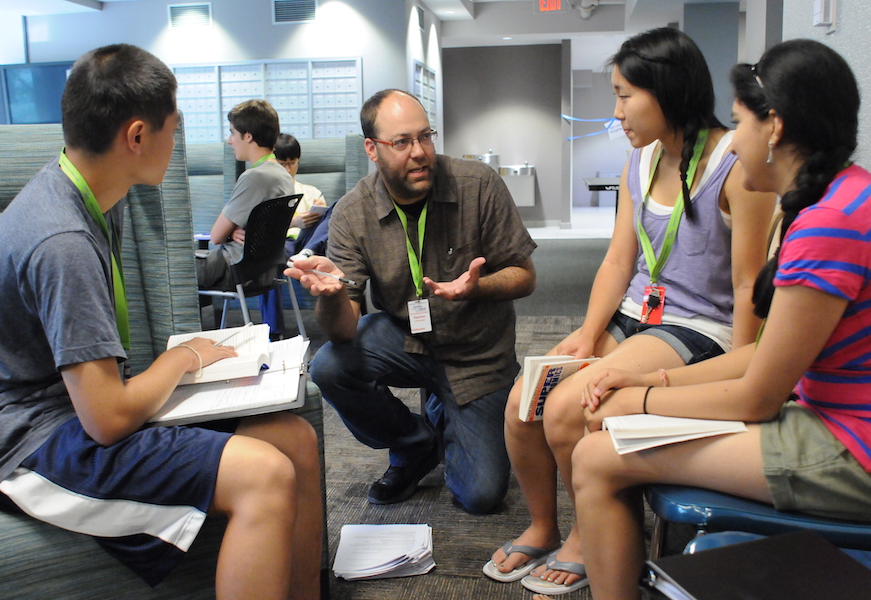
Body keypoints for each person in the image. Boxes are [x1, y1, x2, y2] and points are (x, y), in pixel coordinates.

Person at [0, 44, 321, 600]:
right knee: (265, 476)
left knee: (294, 440)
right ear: (137, 136)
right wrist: (181, 360)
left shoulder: (89, 199)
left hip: (68, 405)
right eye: (174, 122)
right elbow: (107, 419)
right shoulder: (61, 238)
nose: (179, 134)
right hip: (21, 438)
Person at [564, 39, 870, 600]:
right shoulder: (844, 198)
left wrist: (639, 402)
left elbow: (758, 397)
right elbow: (765, 354)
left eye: (739, 124)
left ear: (773, 128)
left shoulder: (828, 226)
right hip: (831, 419)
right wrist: (647, 381)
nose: (734, 142)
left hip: (851, 449)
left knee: (597, 456)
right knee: (604, 433)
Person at [485, 27, 777, 593]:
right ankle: (546, 524)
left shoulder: (733, 164)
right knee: (524, 403)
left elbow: (747, 285)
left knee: (568, 407)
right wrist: (588, 335)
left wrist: (742, 367)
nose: (615, 111)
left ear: (665, 90)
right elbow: (619, 261)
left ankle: (587, 537)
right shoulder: (639, 159)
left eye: (624, 95)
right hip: (632, 314)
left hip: (696, 326)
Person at [286, 89, 537, 514]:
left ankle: (448, 407)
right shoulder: (352, 213)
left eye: (426, 137)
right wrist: (330, 298)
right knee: (329, 366)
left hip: (478, 353)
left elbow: (525, 276)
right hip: (407, 340)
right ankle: (415, 443)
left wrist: (478, 288)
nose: (420, 153)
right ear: (372, 149)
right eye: (402, 142)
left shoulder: (477, 185)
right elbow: (344, 328)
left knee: (480, 496)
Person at [196, 99, 294, 294]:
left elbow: (216, 236)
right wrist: (233, 233)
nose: (230, 140)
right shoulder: (283, 175)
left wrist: (228, 233)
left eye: (233, 132)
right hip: (265, 271)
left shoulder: (254, 177)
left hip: (233, 268)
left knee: (171, 269)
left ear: (248, 136)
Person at [259, 133, 329, 334]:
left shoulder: (310, 191)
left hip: (310, 242)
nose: (288, 169)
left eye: (292, 163)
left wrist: (320, 215)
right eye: (283, 164)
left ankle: (307, 252)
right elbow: (260, 227)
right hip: (283, 243)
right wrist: (293, 221)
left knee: (334, 211)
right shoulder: (267, 193)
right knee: (269, 260)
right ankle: (273, 330)